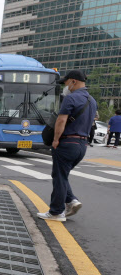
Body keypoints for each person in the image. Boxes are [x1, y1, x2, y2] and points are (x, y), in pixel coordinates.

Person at [37, 70, 97, 222]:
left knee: (59, 177)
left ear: (73, 81)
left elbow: (61, 121)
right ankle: (72, 201)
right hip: (82, 145)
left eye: (66, 83)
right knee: (61, 175)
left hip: (67, 143)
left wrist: (56, 139)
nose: (66, 86)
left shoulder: (71, 98)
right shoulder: (92, 101)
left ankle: (57, 212)